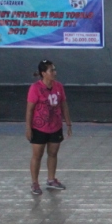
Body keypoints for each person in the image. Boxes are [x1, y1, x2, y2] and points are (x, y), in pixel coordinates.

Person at [25, 60, 71, 196]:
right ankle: (34, 183)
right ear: (43, 73)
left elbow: (64, 105)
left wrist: (68, 123)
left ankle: (51, 179)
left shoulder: (58, 87)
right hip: (39, 127)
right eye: (51, 70)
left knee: (53, 153)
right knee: (37, 155)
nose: (54, 73)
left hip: (55, 126)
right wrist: (28, 128)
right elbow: (29, 110)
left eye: (54, 70)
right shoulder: (35, 88)